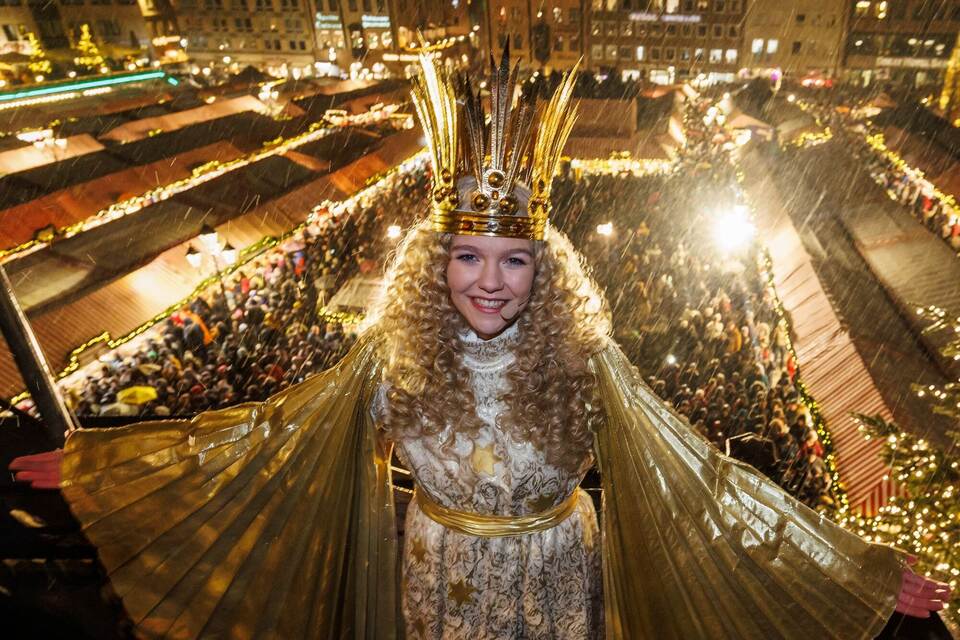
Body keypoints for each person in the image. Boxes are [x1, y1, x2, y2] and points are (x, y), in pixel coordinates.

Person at [10, 50, 950, 639]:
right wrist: (109, 469)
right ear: (436, 260)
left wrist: (849, 569)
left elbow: (700, 481)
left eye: (513, 259)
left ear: (546, 267)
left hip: (559, 587)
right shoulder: (391, 361)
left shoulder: (587, 360)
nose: (489, 281)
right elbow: (265, 438)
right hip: (438, 585)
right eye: (468, 255)